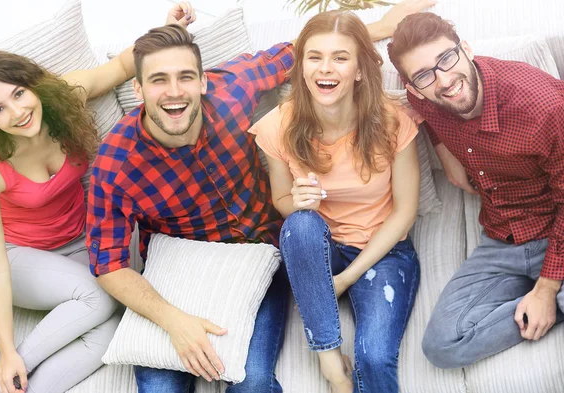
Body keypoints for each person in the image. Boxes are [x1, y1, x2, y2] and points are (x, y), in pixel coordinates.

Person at [85, 2, 434, 392]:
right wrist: (175, 321)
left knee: (253, 384)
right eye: (158, 80)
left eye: (185, 77)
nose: (174, 92)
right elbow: (108, 265)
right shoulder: (115, 162)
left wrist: (381, 25)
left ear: (203, 80)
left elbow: (299, 52)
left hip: (256, 260)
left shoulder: (233, 89)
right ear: (137, 88)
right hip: (179, 274)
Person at [0, 4, 196, 393]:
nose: (18, 112)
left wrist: (168, 29)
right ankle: (6, 375)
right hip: (15, 254)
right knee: (96, 297)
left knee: (113, 326)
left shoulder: (65, 101)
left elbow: (125, 65)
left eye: (19, 93)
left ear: (34, 86)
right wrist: (7, 351)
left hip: (80, 241)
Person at [249, 9, 421, 393]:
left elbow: (405, 211)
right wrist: (298, 201)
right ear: (302, 67)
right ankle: (334, 372)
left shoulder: (392, 122)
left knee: (375, 358)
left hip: (382, 249)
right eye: (315, 57)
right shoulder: (279, 124)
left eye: (340, 57)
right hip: (316, 246)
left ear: (359, 69)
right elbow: (281, 201)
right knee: (300, 223)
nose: (326, 69)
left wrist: (345, 279)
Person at [387, 12, 564, 368]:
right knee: (441, 346)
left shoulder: (545, 108)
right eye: (424, 75)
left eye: (446, 59)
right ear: (413, 86)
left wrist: (546, 290)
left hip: (556, 233)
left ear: (465, 48)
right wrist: (448, 157)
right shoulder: (425, 97)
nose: (444, 79)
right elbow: (427, 113)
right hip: (502, 238)